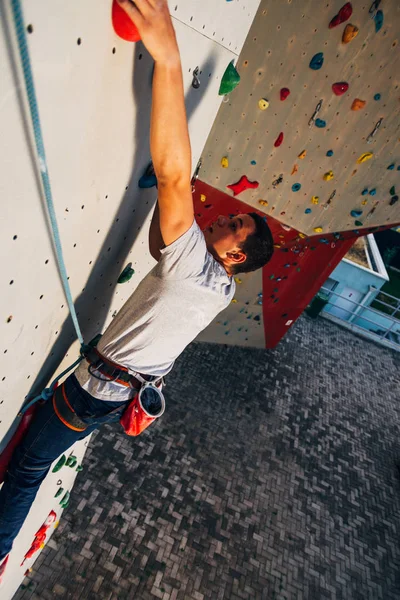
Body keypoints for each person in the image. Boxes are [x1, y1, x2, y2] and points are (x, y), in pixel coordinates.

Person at [0, 0, 273, 572]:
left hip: (97, 389)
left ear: (238, 254)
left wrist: (169, 61)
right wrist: (171, 197)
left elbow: (175, 176)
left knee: (27, 467)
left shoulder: (200, 269)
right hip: (111, 391)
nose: (222, 217)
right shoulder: (218, 287)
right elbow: (160, 245)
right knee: (32, 457)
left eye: (234, 225)